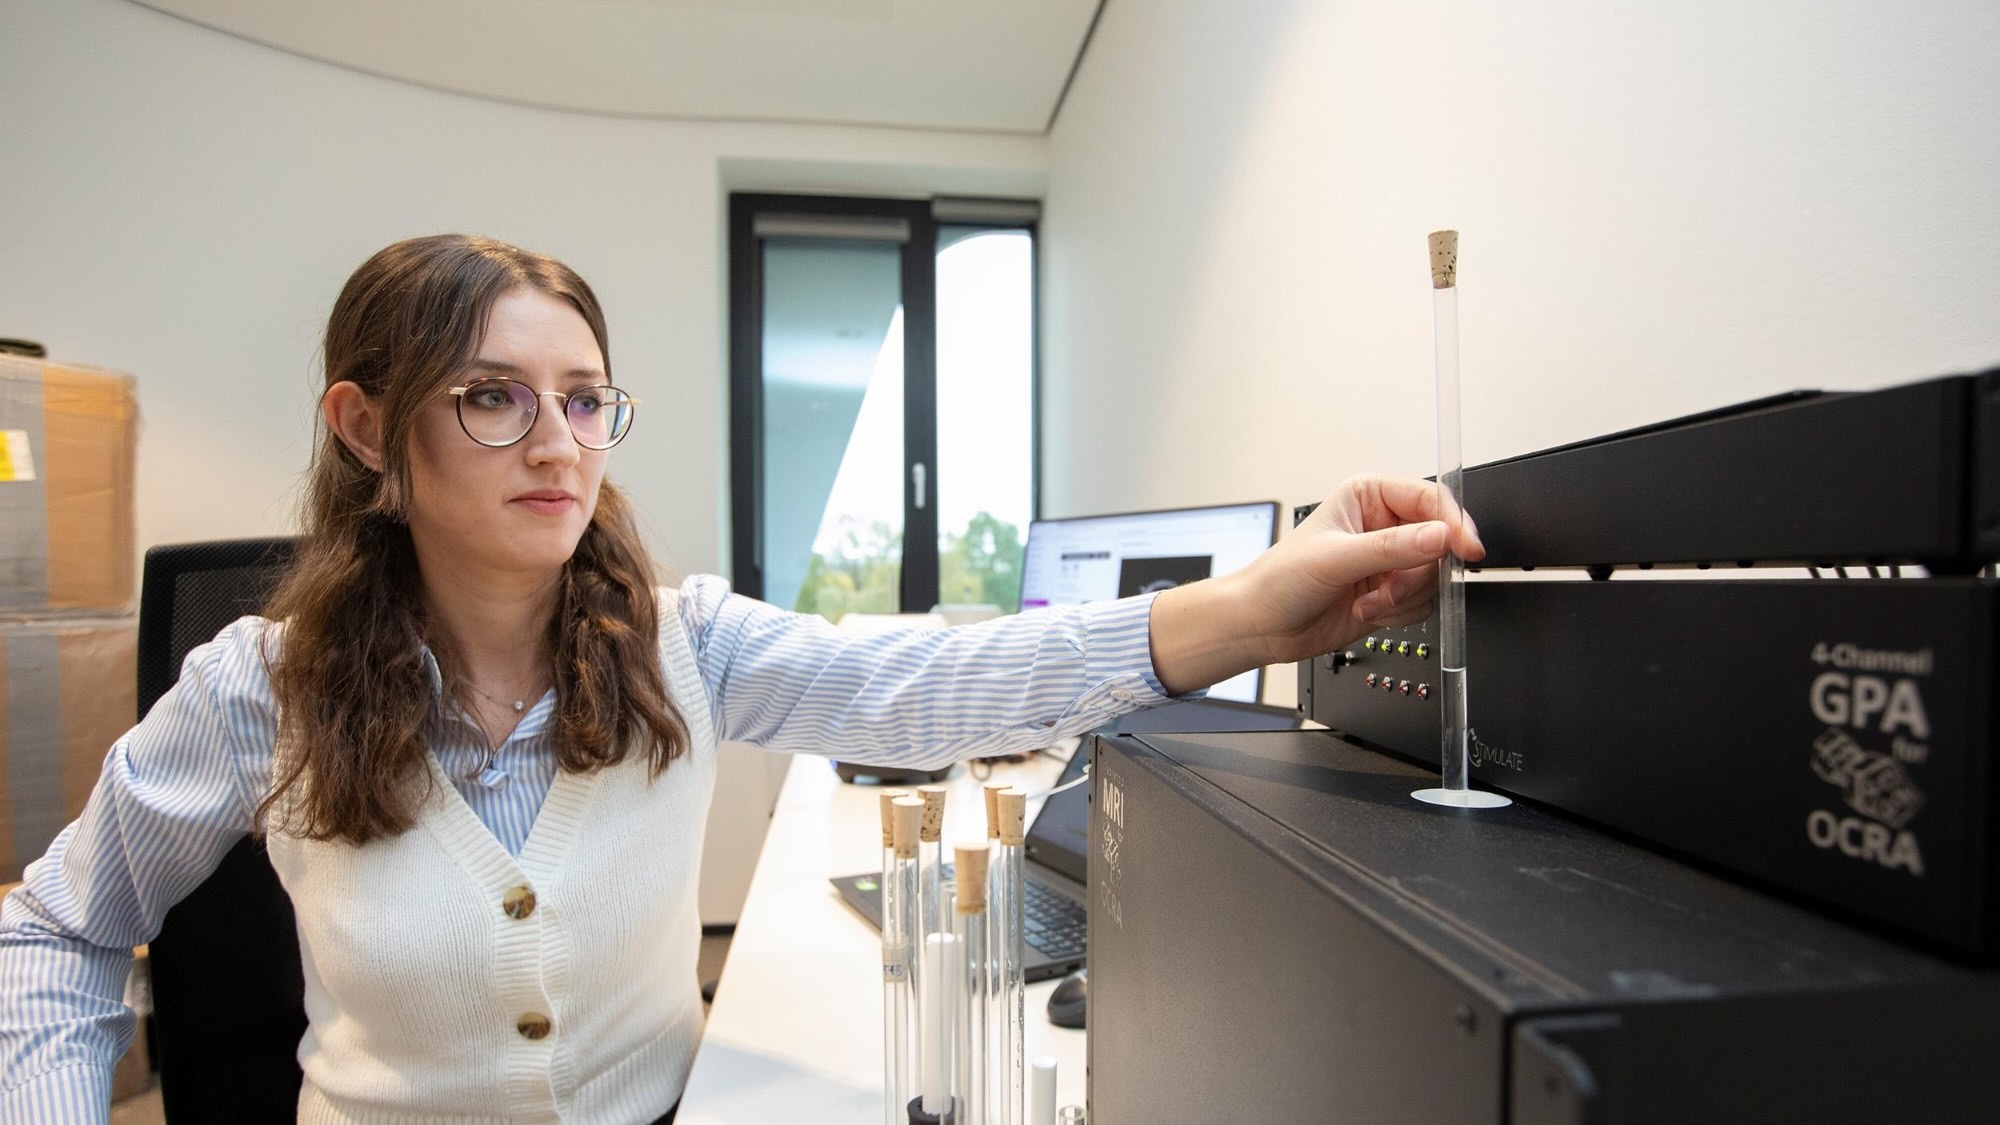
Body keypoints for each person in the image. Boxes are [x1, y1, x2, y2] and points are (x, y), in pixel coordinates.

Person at [0, 234, 1481, 1123]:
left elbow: (945, 685)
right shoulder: (261, 685)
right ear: (368, 427)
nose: (559, 441)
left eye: (584, 400)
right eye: (492, 397)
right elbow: (55, 933)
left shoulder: (680, 641)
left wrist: (1255, 608)